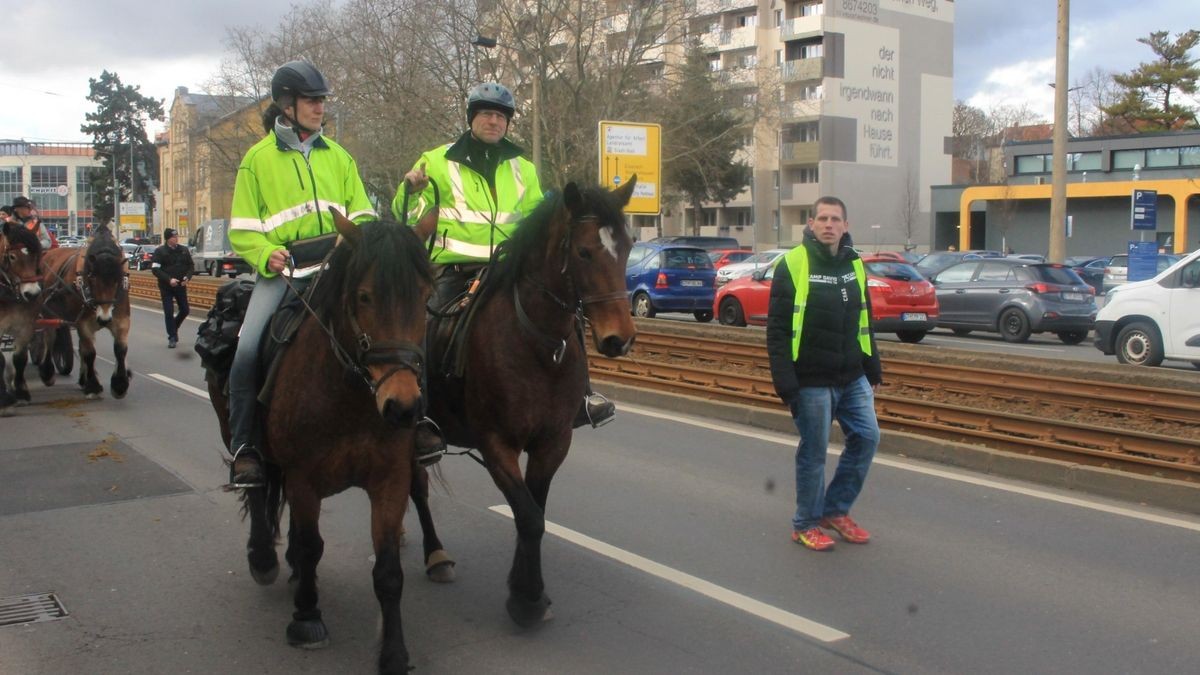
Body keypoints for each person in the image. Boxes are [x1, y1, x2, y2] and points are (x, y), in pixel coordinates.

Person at [393, 82, 616, 432]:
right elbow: (406, 216)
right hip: (454, 268)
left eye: (500, 116)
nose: (494, 121)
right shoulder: (435, 160)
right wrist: (410, 189)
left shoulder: (522, 167)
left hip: (511, 269)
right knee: (425, 322)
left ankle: (583, 396)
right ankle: (422, 413)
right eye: (486, 114)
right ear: (472, 119)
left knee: (566, 311)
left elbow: (536, 216)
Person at [224, 60, 378, 488]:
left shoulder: (340, 157)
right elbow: (243, 227)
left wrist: (358, 240)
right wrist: (266, 253)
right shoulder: (257, 161)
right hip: (285, 271)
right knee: (247, 350)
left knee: (392, 331)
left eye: (322, 101)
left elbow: (362, 210)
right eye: (312, 100)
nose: (319, 108)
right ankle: (245, 447)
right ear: (286, 105)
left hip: (337, 267)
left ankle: (413, 424)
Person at [766, 196, 882, 552]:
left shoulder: (854, 264)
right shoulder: (793, 264)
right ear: (811, 224)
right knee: (814, 452)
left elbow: (864, 319)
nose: (829, 224)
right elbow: (778, 329)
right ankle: (805, 523)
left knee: (867, 437)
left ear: (846, 226)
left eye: (836, 219)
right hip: (811, 379)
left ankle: (835, 510)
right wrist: (785, 381)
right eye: (823, 218)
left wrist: (872, 364)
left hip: (852, 375)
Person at [150, 228, 193, 349]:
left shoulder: (183, 250)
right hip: (166, 286)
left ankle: (174, 326)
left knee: (185, 310)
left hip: (180, 285)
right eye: (174, 237)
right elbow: (155, 269)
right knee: (169, 311)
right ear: (168, 239)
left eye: (177, 236)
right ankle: (172, 337)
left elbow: (191, 266)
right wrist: (169, 280)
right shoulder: (160, 252)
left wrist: (187, 277)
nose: (176, 239)